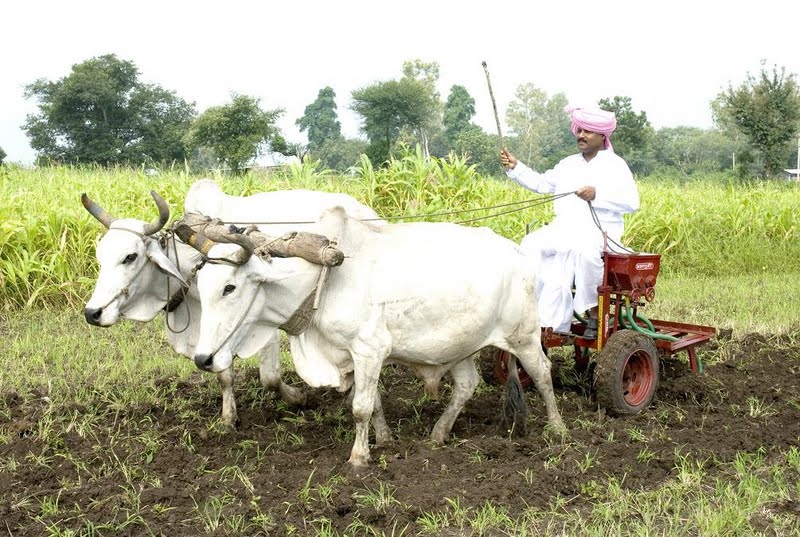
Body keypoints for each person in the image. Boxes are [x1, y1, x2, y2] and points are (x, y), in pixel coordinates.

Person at [500, 105, 639, 339]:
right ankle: (527, 309)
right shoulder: (568, 164)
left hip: (599, 232)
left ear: (602, 136)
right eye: (579, 130)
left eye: (587, 131)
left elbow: (632, 202)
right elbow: (543, 183)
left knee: (584, 251)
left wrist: (598, 194)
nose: (581, 135)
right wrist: (516, 167)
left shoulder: (615, 165)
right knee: (530, 243)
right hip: (564, 228)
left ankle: (594, 313)